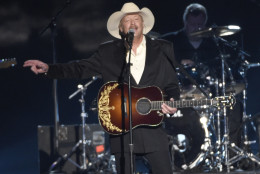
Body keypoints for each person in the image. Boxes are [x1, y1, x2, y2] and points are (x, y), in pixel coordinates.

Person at [24, 2, 180, 174]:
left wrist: (172, 102)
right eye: (128, 20)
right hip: (121, 128)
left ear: (143, 24)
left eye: (137, 19)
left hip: (153, 128)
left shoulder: (163, 48)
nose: (133, 23)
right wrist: (49, 69)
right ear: (121, 27)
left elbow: (172, 84)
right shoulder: (108, 52)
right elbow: (80, 68)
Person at [162, 3, 243, 170]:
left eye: (199, 24)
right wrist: (179, 65)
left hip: (208, 94)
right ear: (185, 23)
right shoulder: (171, 42)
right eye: (192, 24)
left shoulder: (214, 45)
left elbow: (224, 73)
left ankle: (231, 158)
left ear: (205, 23)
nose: (196, 28)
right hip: (180, 94)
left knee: (234, 107)